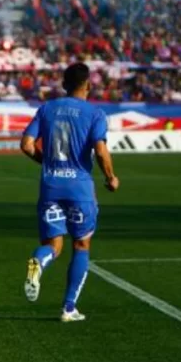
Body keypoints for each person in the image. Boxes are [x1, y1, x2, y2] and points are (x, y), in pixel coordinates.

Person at [20, 63, 118, 323]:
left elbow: (27, 145)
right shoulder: (95, 113)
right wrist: (110, 177)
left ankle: (39, 262)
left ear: (64, 84)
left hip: (51, 186)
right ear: (88, 85)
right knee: (81, 245)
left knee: (53, 245)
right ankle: (68, 307)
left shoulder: (47, 109)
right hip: (79, 188)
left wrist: (46, 162)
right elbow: (100, 150)